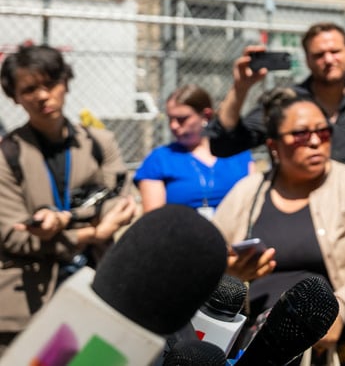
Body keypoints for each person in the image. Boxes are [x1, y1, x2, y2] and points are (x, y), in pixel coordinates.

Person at [213, 87, 345, 365]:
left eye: (323, 132)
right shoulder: (247, 192)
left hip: (331, 346)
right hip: (257, 348)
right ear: (273, 145)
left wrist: (342, 308)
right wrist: (231, 273)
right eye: (300, 134)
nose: (314, 142)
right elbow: (211, 255)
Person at [0, 45, 136, 353]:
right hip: (28, 300)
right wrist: (93, 232)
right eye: (30, 89)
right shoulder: (7, 156)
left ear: (65, 82)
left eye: (50, 84)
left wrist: (64, 220)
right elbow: (14, 237)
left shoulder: (100, 142)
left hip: (98, 286)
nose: (42, 95)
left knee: (96, 361)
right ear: (15, 97)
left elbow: (121, 203)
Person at [207, 22, 345, 164]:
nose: (328, 60)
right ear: (307, 59)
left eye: (335, 52)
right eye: (319, 54)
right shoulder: (285, 102)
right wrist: (240, 88)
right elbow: (223, 146)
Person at [134, 84, 253, 217]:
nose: (173, 126)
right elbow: (154, 220)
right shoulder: (160, 159)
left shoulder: (237, 154)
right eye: (170, 119)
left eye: (182, 119)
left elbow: (253, 204)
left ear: (206, 116)